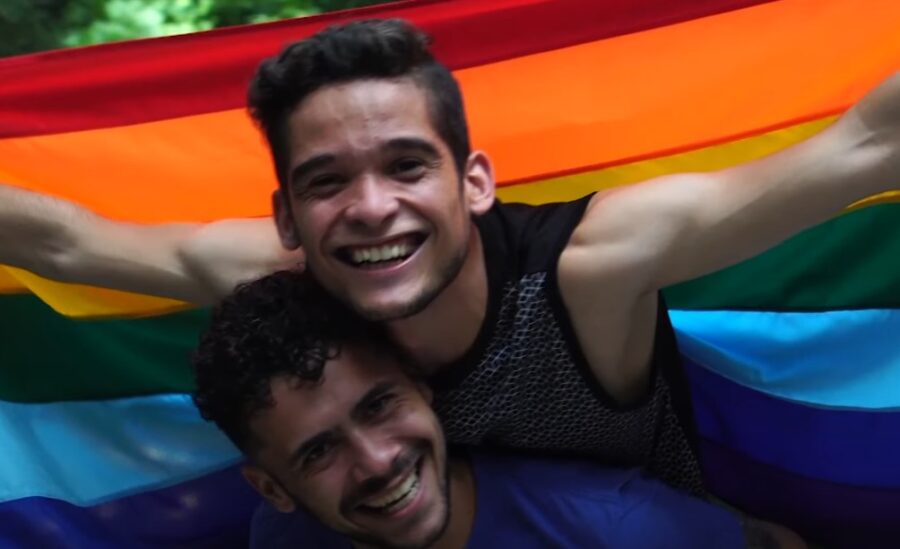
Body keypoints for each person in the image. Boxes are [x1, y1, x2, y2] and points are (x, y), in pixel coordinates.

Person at [2, 19, 899, 493]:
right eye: (326, 182)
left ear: (474, 181)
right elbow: (64, 240)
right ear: (285, 216)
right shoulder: (276, 276)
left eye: (405, 165)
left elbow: (861, 147)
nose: (370, 207)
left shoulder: (592, 267)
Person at [192, 269, 803, 549]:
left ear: (420, 384)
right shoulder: (284, 535)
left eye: (379, 405)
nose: (376, 462)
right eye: (319, 450)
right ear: (272, 488)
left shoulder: (611, 525)